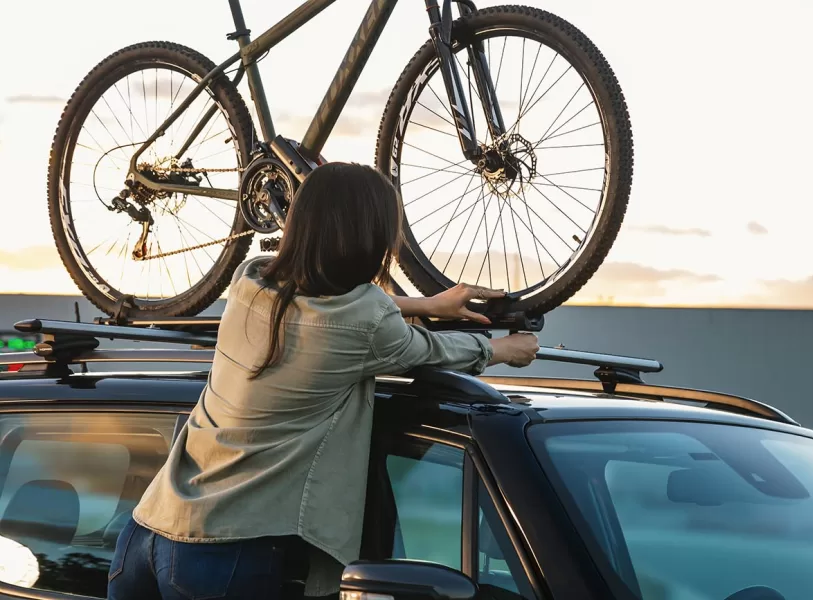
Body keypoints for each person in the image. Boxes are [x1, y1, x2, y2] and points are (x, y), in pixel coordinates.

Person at [107, 162, 539, 600]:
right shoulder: (367, 325)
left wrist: (427, 304)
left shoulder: (249, 282)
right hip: (226, 550)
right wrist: (501, 349)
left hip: (146, 533)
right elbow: (427, 349)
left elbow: (325, 306)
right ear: (370, 238)